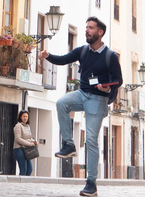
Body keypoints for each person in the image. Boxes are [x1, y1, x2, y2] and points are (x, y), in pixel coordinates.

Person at [39, 16, 122, 197]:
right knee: (62, 103)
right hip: (82, 94)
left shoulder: (110, 56)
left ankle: (91, 183)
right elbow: (63, 59)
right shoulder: (83, 51)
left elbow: (118, 80)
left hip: (98, 99)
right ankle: (69, 145)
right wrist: (48, 56)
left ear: (100, 32)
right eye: (86, 28)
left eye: (91, 28)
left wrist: (107, 86)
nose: (87, 30)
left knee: (91, 139)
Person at [13, 109, 37, 176]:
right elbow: (18, 138)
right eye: (24, 116)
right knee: (23, 169)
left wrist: (34, 141)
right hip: (19, 149)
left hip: (26, 149)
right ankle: (20, 184)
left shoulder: (27, 126)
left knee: (30, 169)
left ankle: (25, 184)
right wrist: (29, 144)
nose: (25, 118)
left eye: (26, 116)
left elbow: (29, 137)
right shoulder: (18, 126)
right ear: (20, 117)